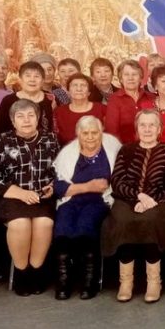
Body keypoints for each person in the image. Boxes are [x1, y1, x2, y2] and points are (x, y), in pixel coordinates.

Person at [101, 109, 165, 303]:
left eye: (152, 125)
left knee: (150, 219)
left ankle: (154, 281)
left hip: (159, 202)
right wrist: (138, 197)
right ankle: (126, 281)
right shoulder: (126, 150)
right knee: (123, 219)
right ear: (137, 129)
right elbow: (117, 181)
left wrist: (151, 200)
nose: (147, 129)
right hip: (127, 199)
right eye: (143, 125)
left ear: (159, 129)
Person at [0, 99, 60, 296]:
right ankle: (21, 273)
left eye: (31, 115)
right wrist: (19, 193)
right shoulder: (2, 141)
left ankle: (36, 271)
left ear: (38, 118)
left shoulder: (51, 139)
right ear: (12, 120)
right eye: (20, 116)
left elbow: (60, 171)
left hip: (41, 197)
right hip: (11, 197)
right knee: (21, 224)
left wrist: (52, 186)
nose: (26, 120)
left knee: (44, 223)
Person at [52, 115, 120, 300]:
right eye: (85, 133)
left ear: (101, 132)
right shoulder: (68, 152)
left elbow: (118, 178)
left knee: (86, 224)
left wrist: (85, 189)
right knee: (63, 226)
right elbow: (58, 187)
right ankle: (64, 280)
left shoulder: (112, 147)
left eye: (94, 133)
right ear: (78, 134)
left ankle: (89, 281)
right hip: (71, 200)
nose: (90, 137)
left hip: (100, 200)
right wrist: (88, 186)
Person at [0, 61, 55, 136]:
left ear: (42, 80)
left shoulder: (51, 99)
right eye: (28, 76)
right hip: (12, 142)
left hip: (46, 142)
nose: (32, 80)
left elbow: (55, 128)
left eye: (36, 76)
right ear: (20, 79)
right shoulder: (8, 100)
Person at [104, 59, 151, 145]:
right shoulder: (114, 99)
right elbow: (112, 131)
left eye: (134, 74)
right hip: (125, 148)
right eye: (126, 75)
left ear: (140, 78)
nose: (130, 78)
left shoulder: (151, 97)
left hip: (151, 146)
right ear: (121, 79)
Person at [55, 73, 107, 145]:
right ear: (68, 90)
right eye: (74, 85)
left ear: (89, 92)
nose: (79, 89)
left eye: (83, 85)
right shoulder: (59, 112)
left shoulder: (102, 110)